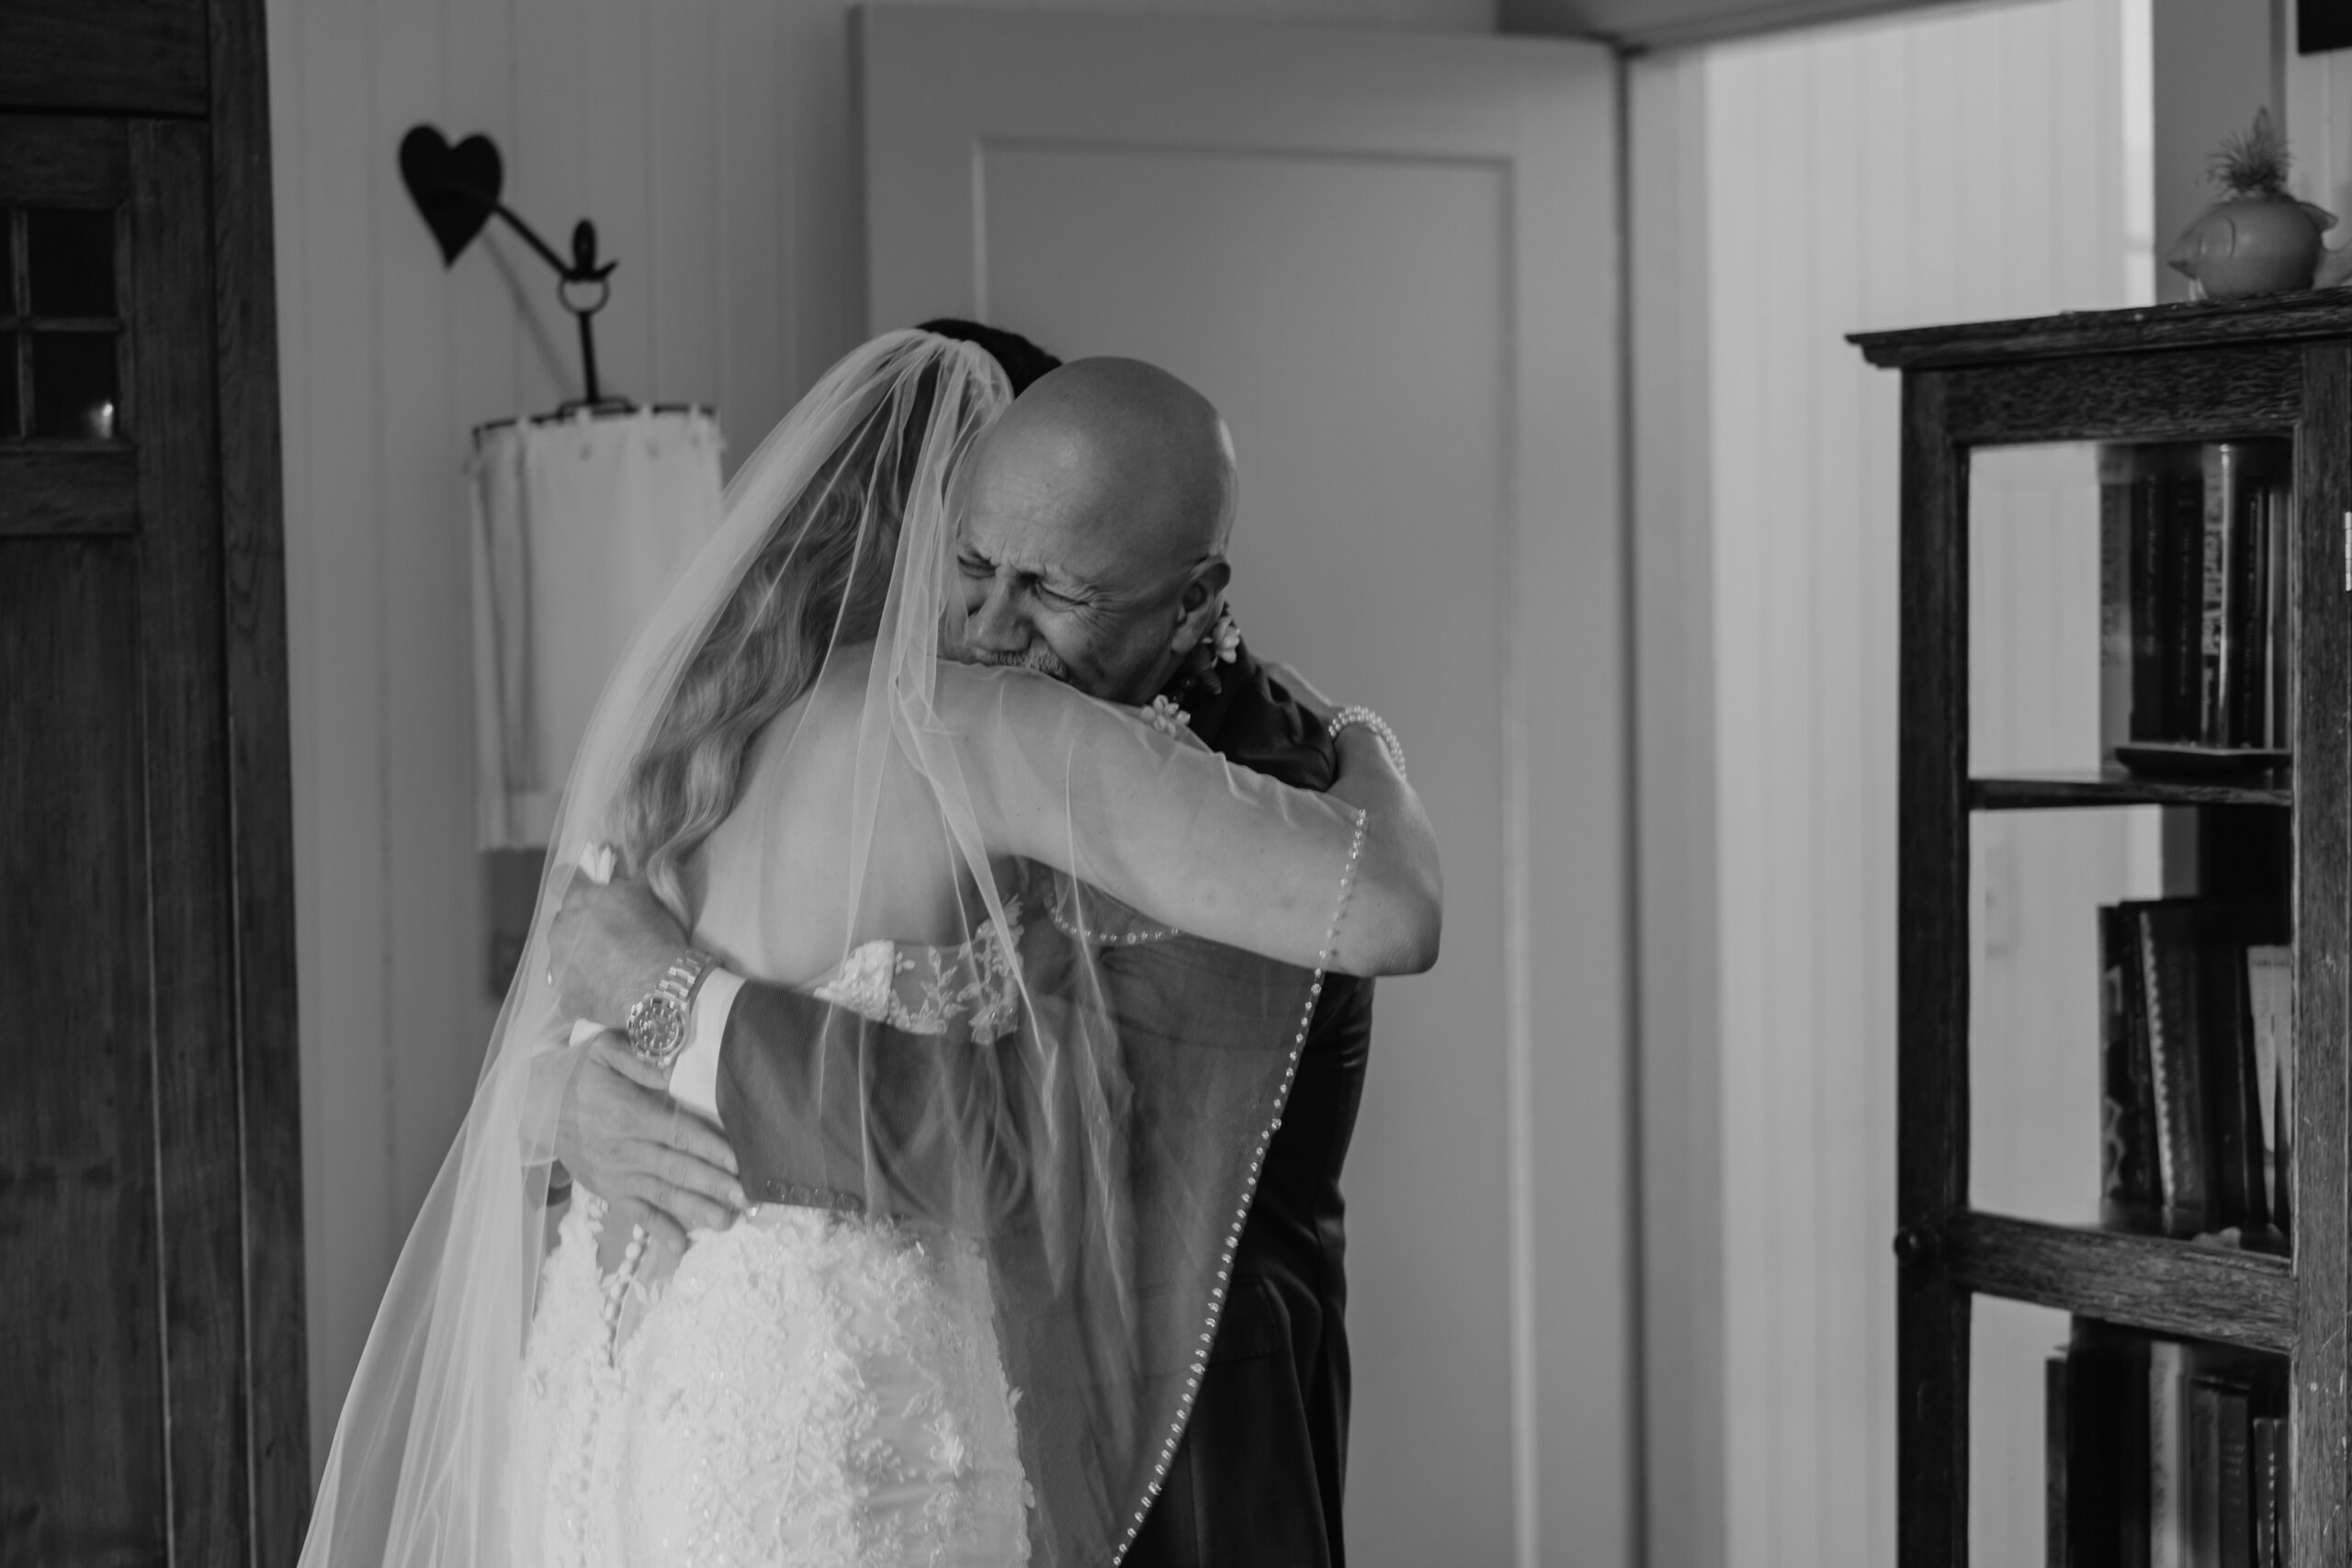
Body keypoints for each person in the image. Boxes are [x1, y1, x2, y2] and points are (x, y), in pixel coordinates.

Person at [298, 327, 1439, 1568]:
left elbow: (1039, 1136)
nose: (991, 622)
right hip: (818, 1413)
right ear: (936, 524)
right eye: (975, 562)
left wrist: (655, 1020)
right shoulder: (963, 733)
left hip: (643, 1391)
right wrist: (558, 1094)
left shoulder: (701, 741)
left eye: (1054, 588)